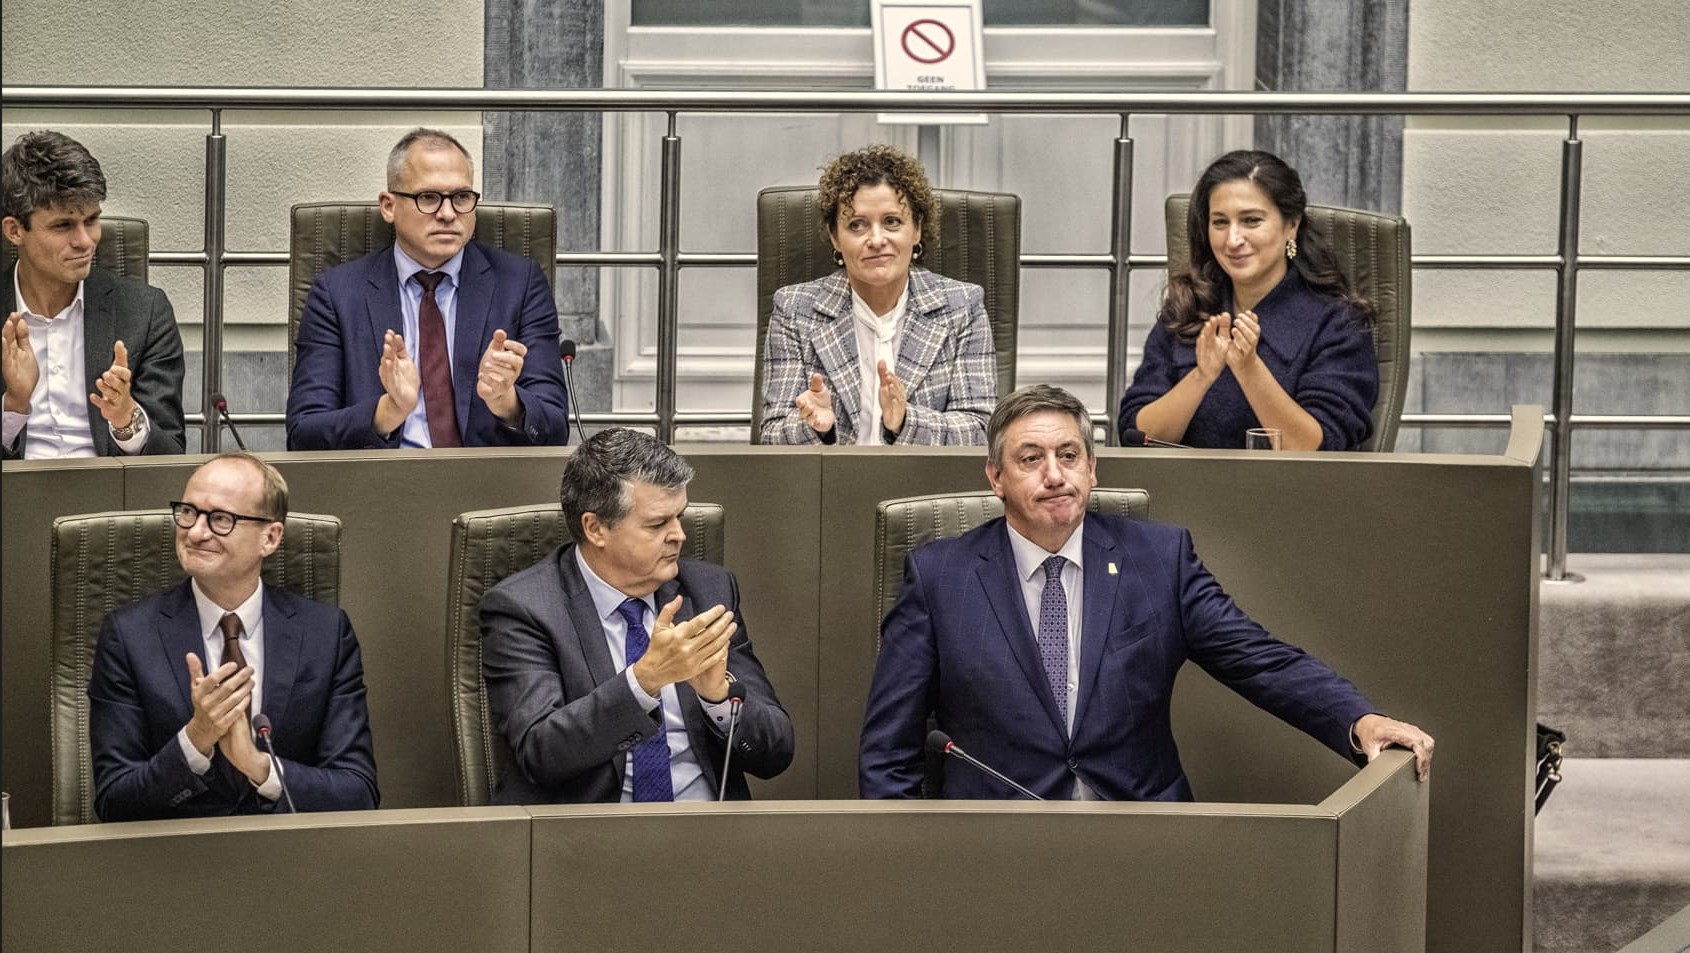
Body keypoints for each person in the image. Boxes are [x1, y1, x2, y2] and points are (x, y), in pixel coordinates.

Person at [860, 385, 1432, 800]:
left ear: (1092, 468)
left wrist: (1358, 720)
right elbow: (889, 749)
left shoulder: (1160, 560)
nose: (1054, 475)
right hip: (994, 842)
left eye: (1069, 456)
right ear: (996, 478)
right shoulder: (940, 577)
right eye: (1030, 459)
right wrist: (908, 862)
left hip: (1143, 830)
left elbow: (1261, 661)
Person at [480, 428, 794, 803]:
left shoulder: (709, 592)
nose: (679, 535)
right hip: (590, 830)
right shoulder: (525, 607)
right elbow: (541, 752)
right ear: (595, 528)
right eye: (657, 524)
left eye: (679, 517)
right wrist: (644, 681)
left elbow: (776, 752)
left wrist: (719, 698)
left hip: (704, 826)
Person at [88, 453, 379, 820]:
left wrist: (258, 766)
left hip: (291, 850)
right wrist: (196, 738)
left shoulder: (326, 634)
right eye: (188, 512)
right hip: (175, 850)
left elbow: (358, 793)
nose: (196, 532)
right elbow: (114, 802)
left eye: (221, 519)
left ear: (270, 538)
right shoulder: (129, 636)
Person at [286, 128, 568, 450]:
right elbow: (303, 435)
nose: (448, 214)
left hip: (488, 477)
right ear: (389, 206)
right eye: (429, 198)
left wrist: (507, 401)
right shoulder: (336, 294)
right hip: (381, 477)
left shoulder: (520, 283)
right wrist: (388, 411)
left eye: (461, 197)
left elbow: (555, 429)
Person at [1118, 150, 1378, 450]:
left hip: (1288, 482)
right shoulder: (1190, 307)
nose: (1233, 240)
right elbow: (1136, 435)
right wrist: (1201, 377)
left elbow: (1319, 450)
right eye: (1220, 222)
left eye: (1251, 221)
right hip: (1183, 481)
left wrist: (1249, 369)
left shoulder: (1338, 322)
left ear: (1291, 225)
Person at [761, 144, 995, 446]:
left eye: (892, 222)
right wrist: (816, 428)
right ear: (835, 237)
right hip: (831, 476)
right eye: (857, 225)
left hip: (922, 478)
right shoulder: (795, 311)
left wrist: (906, 421)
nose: (876, 239)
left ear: (917, 230)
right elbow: (772, 437)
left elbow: (981, 432)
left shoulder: (962, 307)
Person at [2, 130, 185, 459]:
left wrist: (126, 418)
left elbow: (169, 458)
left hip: (110, 488)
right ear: (15, 230)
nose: (85, 241)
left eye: (91, 220)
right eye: (63, 226)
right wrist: (14, 406)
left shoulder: (144, 312)